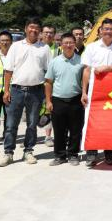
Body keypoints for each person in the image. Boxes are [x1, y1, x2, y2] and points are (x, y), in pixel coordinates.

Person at [0, 17, 52, 167]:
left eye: (36, 28)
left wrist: (48, 97)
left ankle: (28, 151)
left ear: (39, 31)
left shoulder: (45, 49)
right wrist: (6, 91)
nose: (33, 30)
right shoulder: (15, 46)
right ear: (26, 28)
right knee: (11, 124)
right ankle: (8, 153)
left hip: (36, 91)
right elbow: (8, 70)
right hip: (16, 91)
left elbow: (49, 74)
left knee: (32, 124)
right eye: (31, 27)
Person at [81, 18, 112, 167]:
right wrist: (84, 92)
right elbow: (86, 70)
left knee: (110, 124)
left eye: (111, 29)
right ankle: (91, 154)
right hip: (94, 92)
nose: (108, 31)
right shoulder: (91, 47)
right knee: (92, 122)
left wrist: (107, 68)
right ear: (100, 30)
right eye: (106, 29)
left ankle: (109, 153)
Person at [44, 32, 85, 166]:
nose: (68, 45)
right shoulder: (54, 62)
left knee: (75, 130)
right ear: (61, 45)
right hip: (58, 100)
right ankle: (60, 156)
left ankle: (73, 155)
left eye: (71, 43)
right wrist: (49, 101)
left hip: (76, 100)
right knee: (59, 130)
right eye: (65, 43)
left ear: (75, 44)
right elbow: (48, 82)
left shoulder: (81, 61)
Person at [42, 25, 60, 148]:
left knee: (51, 110)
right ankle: (31, 136)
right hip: (38, 84)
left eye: (51, 33)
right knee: (35, 113)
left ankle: (49, 136)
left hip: (54, 85)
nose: (48, 35)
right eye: (46, 32)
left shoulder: (59, 50)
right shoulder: (37, 48)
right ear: (41, 34)